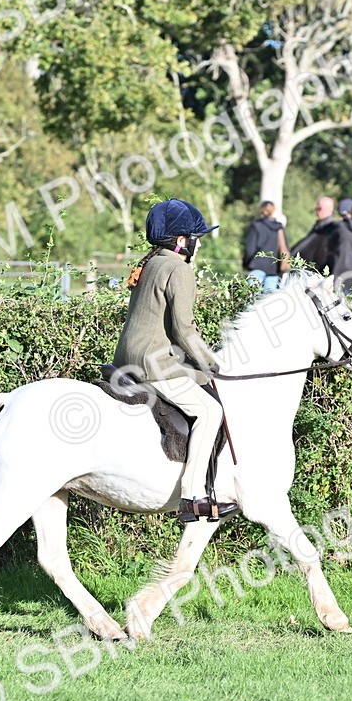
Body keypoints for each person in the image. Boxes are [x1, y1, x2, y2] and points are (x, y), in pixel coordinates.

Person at [113, 199, 238, 523]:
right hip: (151, 363)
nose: (199, 245)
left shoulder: (152, 262)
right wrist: (210, 362)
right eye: (196, 238)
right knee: (210, 411)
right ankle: (192, 496)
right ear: (182, 240)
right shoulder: (178, 269)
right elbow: (184, 329)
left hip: (125, 357)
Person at [242, 200, 290, 292]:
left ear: (261, 210)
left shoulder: (256, 225)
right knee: (268, 299)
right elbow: (285, 248)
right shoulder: (279, 228)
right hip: (273, 270)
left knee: (253, 298)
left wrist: (245, 264)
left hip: (256, 267)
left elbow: (249, 249)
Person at [290, 196, 339, 273]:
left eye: (319, 208)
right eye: (316, 208)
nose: (316, 211)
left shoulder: (330, 228)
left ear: (328, 209)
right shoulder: (319, 226)